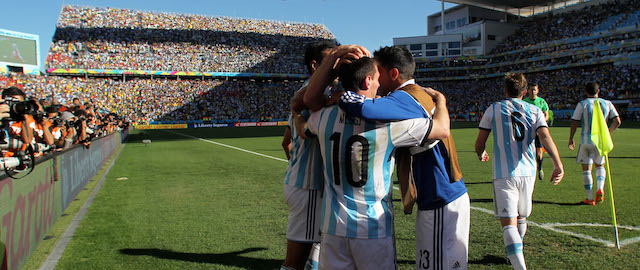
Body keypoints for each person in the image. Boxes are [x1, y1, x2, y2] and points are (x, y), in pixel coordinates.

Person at [304, 45, 451, 269]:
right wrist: (441, 101)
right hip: (373, 227)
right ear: (367, 81)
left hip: (333, 227)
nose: (380, 84)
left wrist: (333, 65)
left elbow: (303, 111)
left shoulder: (322, 117)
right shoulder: (390, 125)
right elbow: (441, 130)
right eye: (376, 79)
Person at [338, 46, 469, 270]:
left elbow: (362, 107)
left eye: (377, 71)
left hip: (440, 198)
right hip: (443, 196)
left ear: (393, 74)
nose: (374, 78)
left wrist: (338, 94)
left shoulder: (404, 99)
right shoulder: (415, 95)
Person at [475, 73, 564, 270]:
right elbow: (545, 136)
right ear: (525, 92)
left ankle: (519, 266)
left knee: (509, 223)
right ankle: (516, 254)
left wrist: (481, 153)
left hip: (504, 173)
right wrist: (558, 163)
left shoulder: (494, 109)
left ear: (505, 90)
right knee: (521, 216)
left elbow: (480, 143)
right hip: (529, 172)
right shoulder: (534, 110)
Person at [280, 40, 336, 270]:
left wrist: (297, 163)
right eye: (331, 61)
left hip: (304, 183)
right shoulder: (313, 94)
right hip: (309, 186)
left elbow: (286, 142)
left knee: (316, 255)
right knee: (295, 263)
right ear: (315, 66)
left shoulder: (304, 93)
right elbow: (300, 135)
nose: (337, 67)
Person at [568, 82, 621, 205]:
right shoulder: (607, 103)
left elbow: (575, 122)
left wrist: (571, 138)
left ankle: (590, 198)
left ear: (586, 92)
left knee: (586, 169)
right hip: (600, 142)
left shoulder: (583, 104)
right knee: (600, 166)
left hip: (586, 141)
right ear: (598, 91)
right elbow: (617, 121)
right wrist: (607, 133)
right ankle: (600, 188)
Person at [523, 83, 549, 181]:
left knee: (539, 151)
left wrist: (541, 122)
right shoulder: (525, 102)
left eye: (535, 90)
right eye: (531, 90)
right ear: (528, 91)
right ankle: (527, 170)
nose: (533, 91)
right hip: (528, 130)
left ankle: (540, 168)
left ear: (537, 90)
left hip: (538, 130)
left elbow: (546, 115)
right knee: (526, 150)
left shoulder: (542, 102)